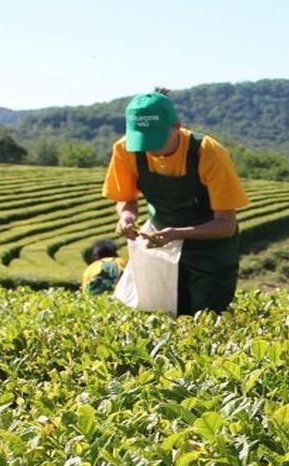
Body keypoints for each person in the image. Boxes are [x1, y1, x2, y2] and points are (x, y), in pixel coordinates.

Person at [102, 88, 250, 314]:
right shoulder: (126, 149)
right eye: (144, 141)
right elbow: (125, 199)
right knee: (159, 314)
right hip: (163, 246)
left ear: (177, 126)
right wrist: (126, 216)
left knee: (207, 317)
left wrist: (177, 233)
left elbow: (225, 224)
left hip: (210, 250)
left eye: (156, 140)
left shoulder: (208, 152)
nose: (151, 149)